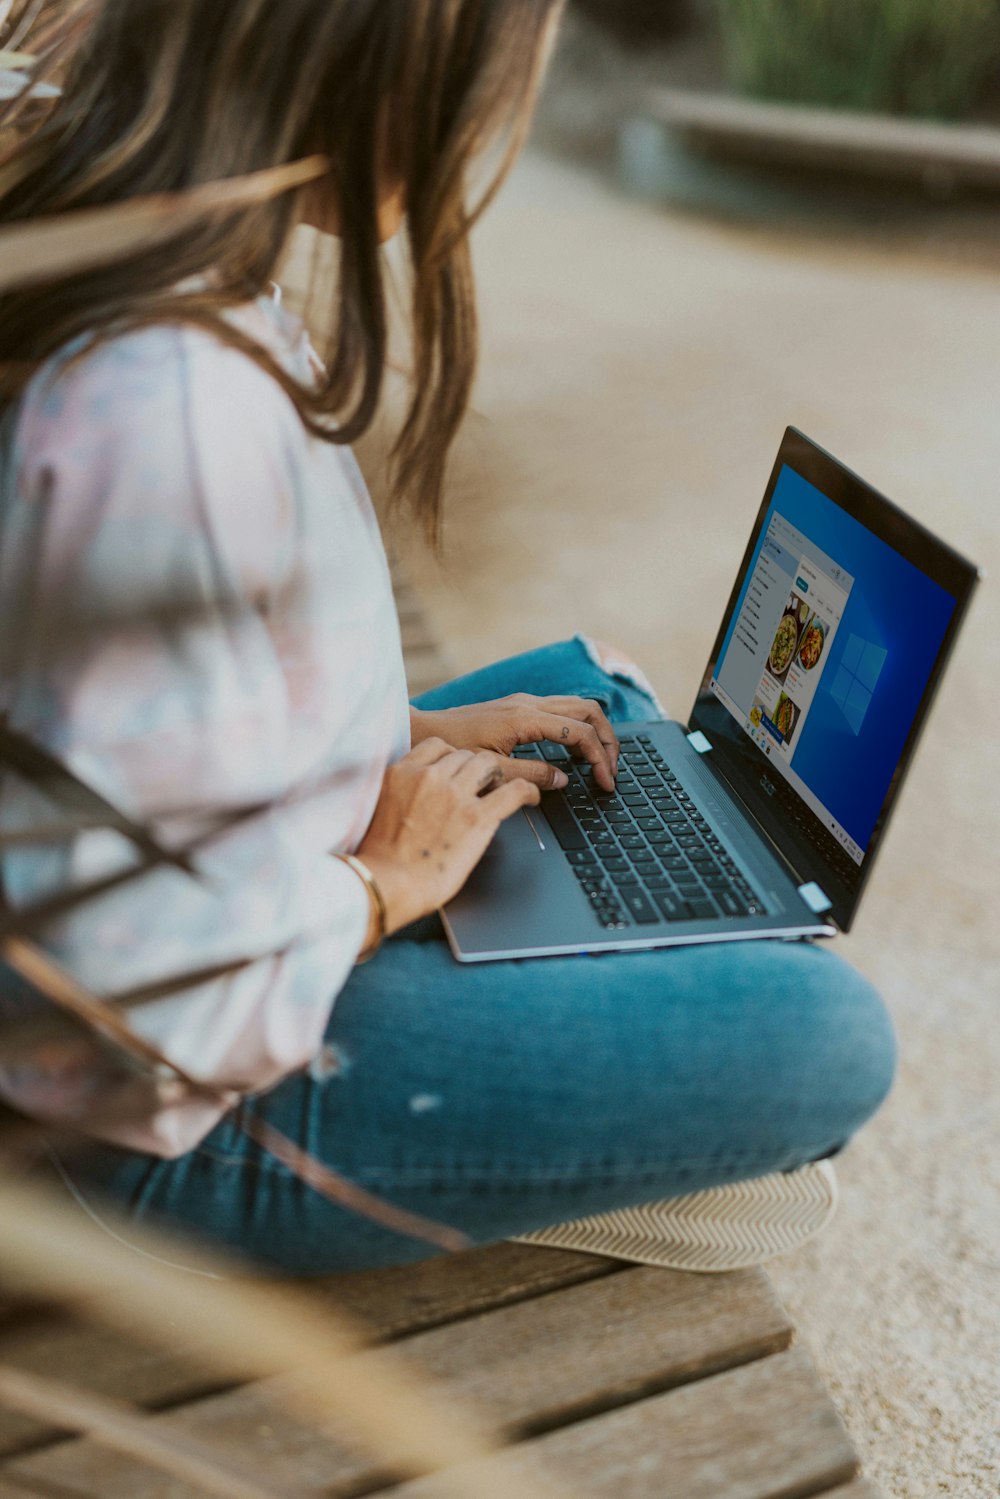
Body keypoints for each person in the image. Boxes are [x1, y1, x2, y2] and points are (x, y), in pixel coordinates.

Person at [0, 0, 895, 1277]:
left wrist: (401, 730)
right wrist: (383, 882)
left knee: (607, 718)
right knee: (825, 1037)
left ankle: (568, 1011)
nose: (498, 113)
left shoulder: (173, 248)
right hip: (145, 1131)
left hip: (213, 902)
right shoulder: (163, 414)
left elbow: (94, 721)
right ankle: (528, 1128)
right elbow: (136, 1013)